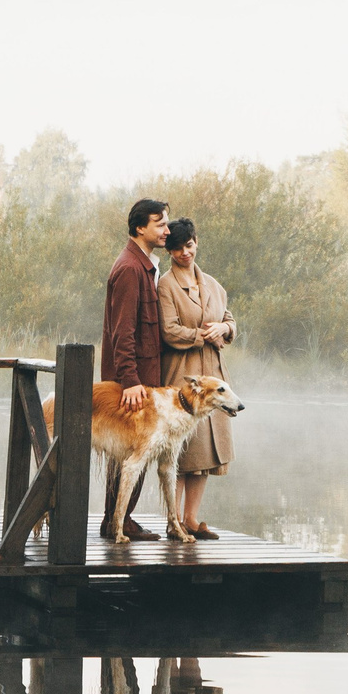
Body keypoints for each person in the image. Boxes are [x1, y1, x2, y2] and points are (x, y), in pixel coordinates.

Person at [156, 218, 237, 538]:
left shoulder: (214, 285)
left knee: (205, 453)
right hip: (183, 374)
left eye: (188, 246)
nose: (184, 253)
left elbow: (229, 320)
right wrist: (204, 335)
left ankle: (191, 519)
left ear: (196, 242)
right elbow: (169, 330)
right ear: (170, 252)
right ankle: (173, 519)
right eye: (176, 249)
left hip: (214, 375)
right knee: (182, 450)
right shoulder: (166, 285)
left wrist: (225, 329)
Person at [101, 198, 170, 540]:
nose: (166, 231)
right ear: (140, 227)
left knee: (130, 452)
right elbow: (122, 330)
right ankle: (119, 521)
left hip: (143, 379)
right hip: (133, 382)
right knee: (132, 451)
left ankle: (118, 519)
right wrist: (129, 380)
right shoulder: (130, 268)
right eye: (160, 224)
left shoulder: (143, 265)